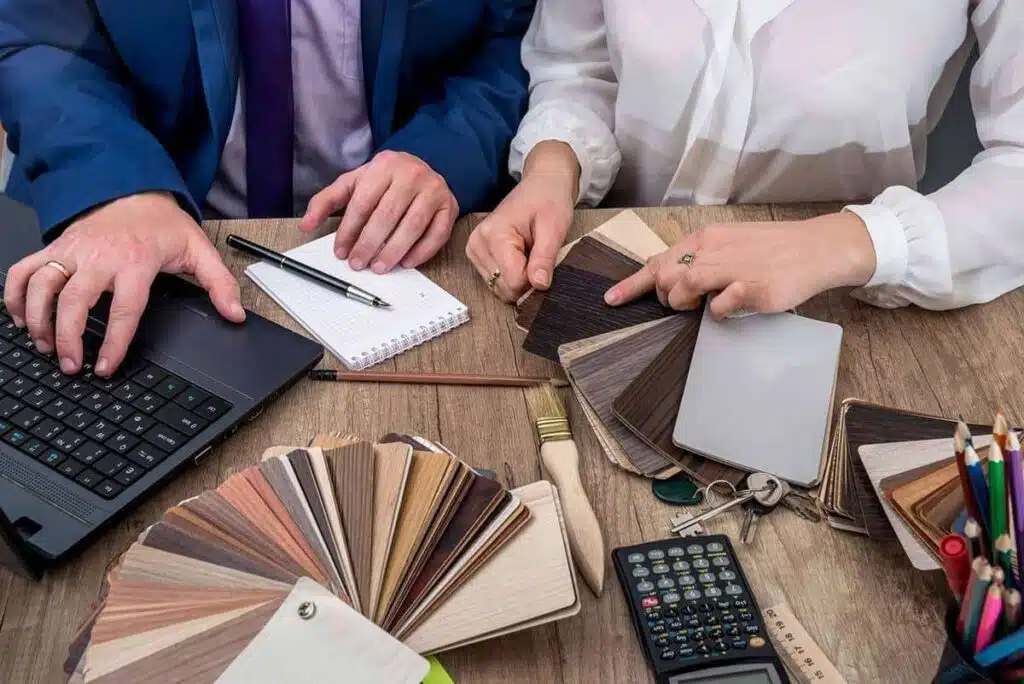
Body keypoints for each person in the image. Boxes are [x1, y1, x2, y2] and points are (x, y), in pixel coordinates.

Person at [0, 0, 534, 377]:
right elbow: (33, 38)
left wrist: (443, 151)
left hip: (395, 242)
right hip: (137, 223)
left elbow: (510, 39)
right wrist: (115, 185)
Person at [467, 1, 1024, 319]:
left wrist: (848, 242)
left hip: (845, 303)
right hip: (617, 268)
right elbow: (579, 63)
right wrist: (552, 167)